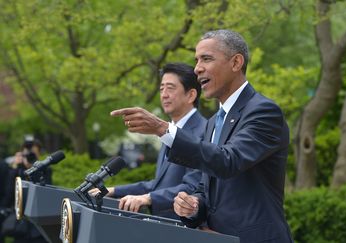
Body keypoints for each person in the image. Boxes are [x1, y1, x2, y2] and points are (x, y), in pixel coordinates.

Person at [110, 30, 293, 243]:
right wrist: (192, 206)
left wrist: (163, 129)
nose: (197, 68)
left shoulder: (263, 111)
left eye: (206, 59)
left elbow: (228, 160)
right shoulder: (214, 122)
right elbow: (206, 189)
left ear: (236, 63)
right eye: (196, 60)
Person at [91, 63, 206, 219]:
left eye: (170, 88)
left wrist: (148, 198)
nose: (164, 94)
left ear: (191, 95)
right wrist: (114, 190)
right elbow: (158, 184)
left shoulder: (203, 131)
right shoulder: (170, 130)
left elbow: (193, 186)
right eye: (161, 89)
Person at [2, 138, 50, 243]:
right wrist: (16, 168)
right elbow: (9, 196)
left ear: (39, 155)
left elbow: (46, 192)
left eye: (33, 154)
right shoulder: (16, 171)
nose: (30, 157)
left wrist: (35, 170)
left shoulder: (45, 170)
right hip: (21, 226)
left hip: (38, 227)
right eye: (27, 155)